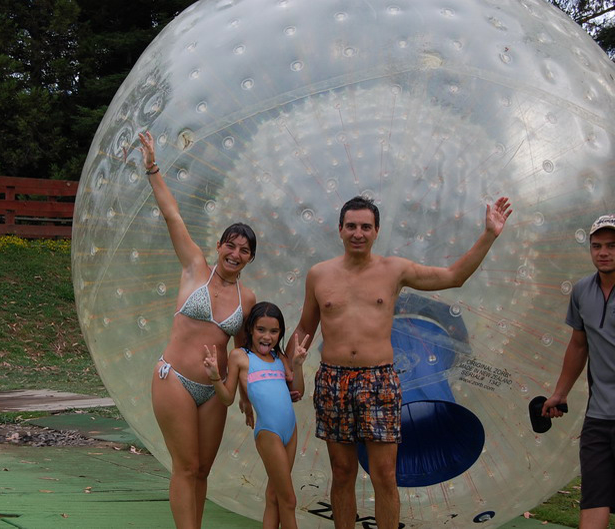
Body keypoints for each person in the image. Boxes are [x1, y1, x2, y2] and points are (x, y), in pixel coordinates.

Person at [284, 195, 512, 529]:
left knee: (385, 476)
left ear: (376, 231)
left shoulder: (395, 270)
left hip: (379, 381)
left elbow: (453, 276)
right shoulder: (319, 275)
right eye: (351, 226)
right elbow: (305, 327)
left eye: (365, 226)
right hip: (333, 381)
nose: (358, 233)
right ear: (340, 230)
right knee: (342, 473)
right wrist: (291, 370)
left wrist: (489, 234)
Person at [137, 131, 258, 529]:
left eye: (243, 251)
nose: (235, 254)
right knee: (186, 466)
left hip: (214, 389)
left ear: (249, 258)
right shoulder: (195, 269)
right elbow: (172, 214)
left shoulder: (247, 298)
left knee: (203, 470)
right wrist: (153, 166)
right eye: (230, 245)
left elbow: (242, 349)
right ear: (219, 245)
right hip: (174, 378)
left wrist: (243, 392)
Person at [203, 301, 310, 529]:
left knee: (274, 497)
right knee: (289, 500)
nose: (267, 336)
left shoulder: (280, 358)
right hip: (268, 433)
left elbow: (298, 392)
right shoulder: (239, 356)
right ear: (250, 329)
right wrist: (214, 377)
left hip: (290, 431)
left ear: (280, 333)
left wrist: (298, 365)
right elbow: (227, 398)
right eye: (261, 329)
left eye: (274, 331)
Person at [542, 214, 615, 529]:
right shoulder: (582, 291)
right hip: (599, 418)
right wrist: (560, 392)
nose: (603, 252)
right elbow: (578, 345)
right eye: (597, 246)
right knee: (594, 500)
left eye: (612, 246)